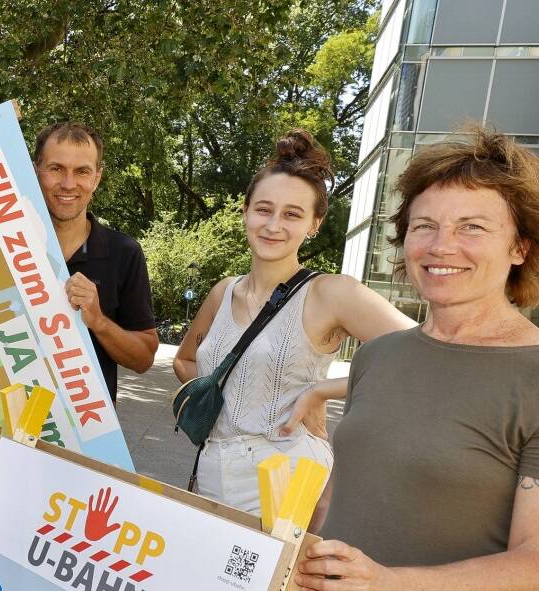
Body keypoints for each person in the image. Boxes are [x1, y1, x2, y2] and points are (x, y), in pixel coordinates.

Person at [295, 127, 539, 591]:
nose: (441, 245)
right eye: (424, 226)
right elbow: (353, 486)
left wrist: (391, 588)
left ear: (519, 248)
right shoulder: (379, 355)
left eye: (472, 227)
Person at [171, 130, 413, 514]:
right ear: (245, 211)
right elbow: (184, 361)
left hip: (286, 477)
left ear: (314, 224)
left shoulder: (330, 293)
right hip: (212, 470)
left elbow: (425, 351)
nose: (274, 225)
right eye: (264, 209)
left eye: (293, 214)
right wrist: (219, 398)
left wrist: (321, 391)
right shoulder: (222, 291)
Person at [33, 122, 158, 403]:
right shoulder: (6, 243)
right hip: (5, 425)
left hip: (86, 435)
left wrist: (99, 321)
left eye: (82, 172)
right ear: (35, 170)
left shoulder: (124, 252)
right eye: (56, 169)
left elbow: (144, 358)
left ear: (97, 178)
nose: (68, 184)